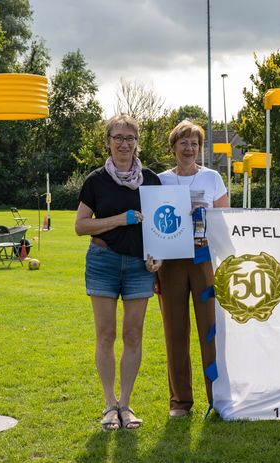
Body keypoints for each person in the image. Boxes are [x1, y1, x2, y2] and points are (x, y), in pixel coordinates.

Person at [75, 115, 162, 431]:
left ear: (137, 142)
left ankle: (126, 404)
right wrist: (119, 219)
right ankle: (109, 404)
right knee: (106, 335)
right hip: (104, 262)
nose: (124, 143)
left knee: (133, 334)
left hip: (140, 266)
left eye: (130, 137)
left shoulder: (151, 180)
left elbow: (161, 225)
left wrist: (160, 258)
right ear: (108, 141)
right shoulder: (95, 180)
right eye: (118, 137)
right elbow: (81, 226)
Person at [157, 120, 230, 417]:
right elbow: (152, 222)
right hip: (170, 262)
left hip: (205, 261)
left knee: (211, 331)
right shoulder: (159, 180)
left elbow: (225, 220)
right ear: (174, 146)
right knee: (175, 333)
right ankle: (180, 402)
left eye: (195, 144)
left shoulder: (213, 178)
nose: (189, 148)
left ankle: (218, 398)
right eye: (184, 142)